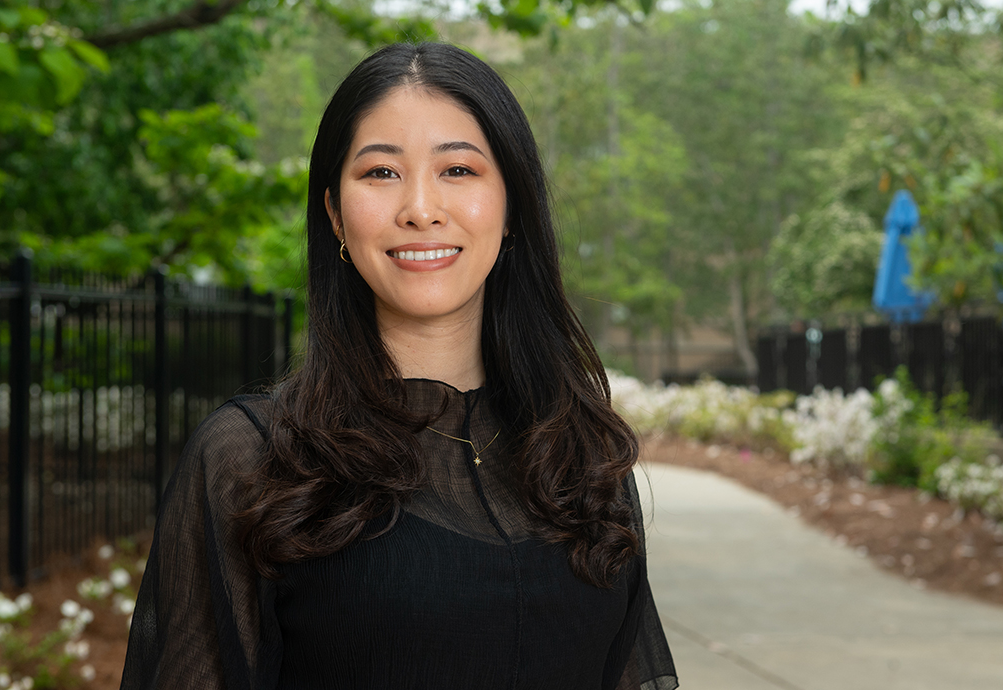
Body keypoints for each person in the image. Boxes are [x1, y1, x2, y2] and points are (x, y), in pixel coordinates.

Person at [119, 42, 679, 690]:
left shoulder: (582, 458)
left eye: (459, 171)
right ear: (334, 212)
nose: (419, 207)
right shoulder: (253, 459)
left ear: (513, 208)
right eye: (381, 173)